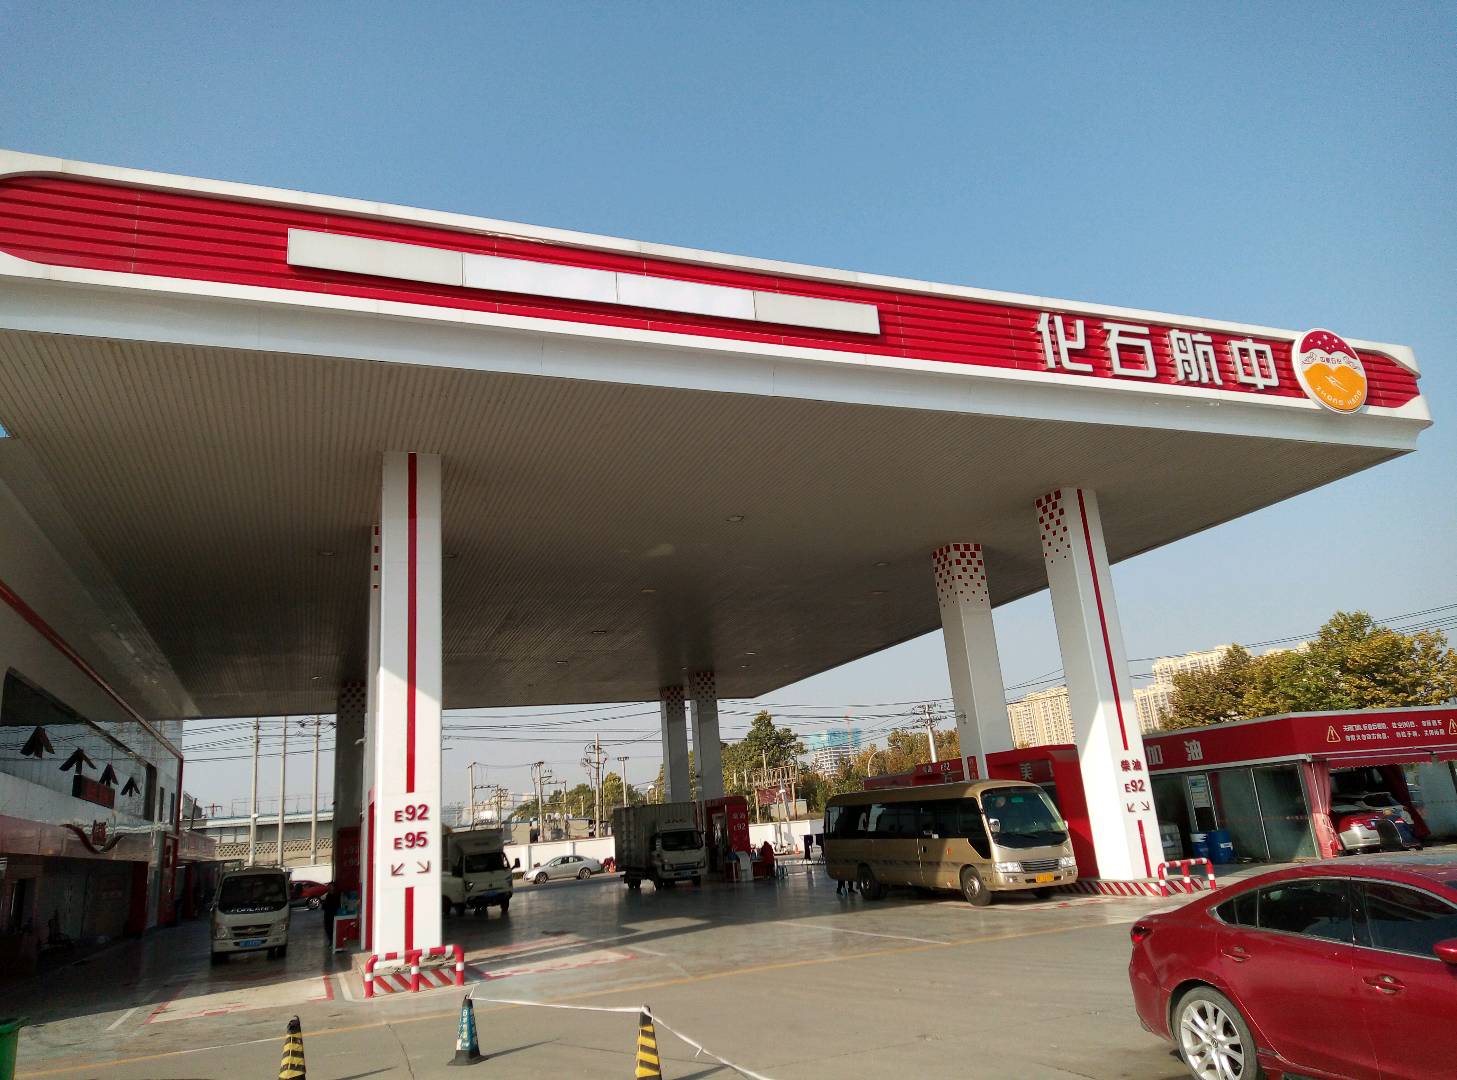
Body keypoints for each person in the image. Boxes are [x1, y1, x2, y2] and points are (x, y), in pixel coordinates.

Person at [321, 882, 340, 948]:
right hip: (327, 914)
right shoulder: (328, 895)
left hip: (332, 914)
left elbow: (335, 905)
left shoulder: (336, 896)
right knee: (328, 928)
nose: (329, 888)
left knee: (331, 928)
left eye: (331, 886)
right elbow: (324, 906)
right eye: (329, 886)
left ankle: (333, 942)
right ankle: (331, 941)